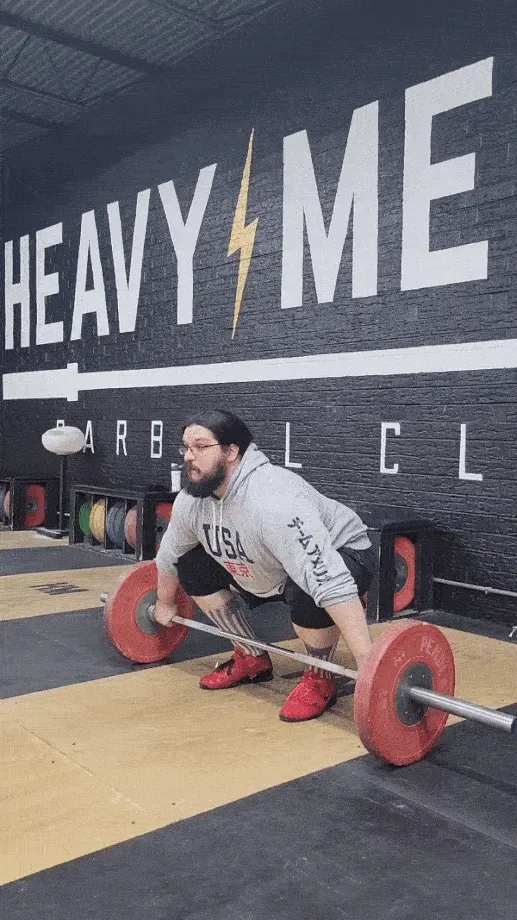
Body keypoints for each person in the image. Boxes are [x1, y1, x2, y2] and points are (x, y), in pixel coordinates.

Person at [155, 410, 376, 722]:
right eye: (186, 448)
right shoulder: (193, 501)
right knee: (189, 563)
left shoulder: (274, 499)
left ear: (231, 451)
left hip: (344, 554)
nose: (189, 457)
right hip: (266, 561)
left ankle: (319, 676)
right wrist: (164, 603)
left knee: (307, 592)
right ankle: (250, 657)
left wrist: (369, 665)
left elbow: (329, 578)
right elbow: (168, 556)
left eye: (201, 447)